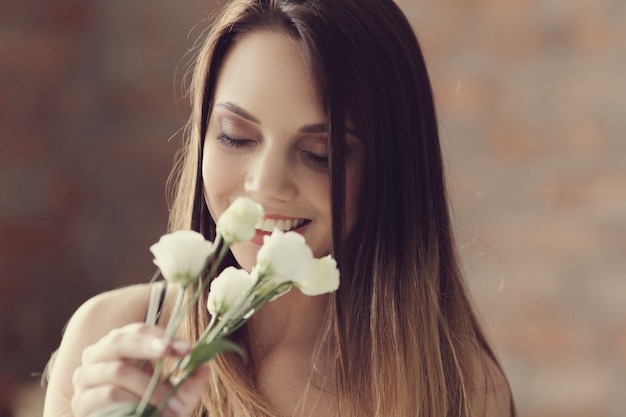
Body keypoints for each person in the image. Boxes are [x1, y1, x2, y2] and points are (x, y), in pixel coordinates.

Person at [43, 0, 517, 416]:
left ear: (391, 171)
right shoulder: (109, 342)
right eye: (236, 136)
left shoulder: (461, 391)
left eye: (320, 154)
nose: (265, 184)